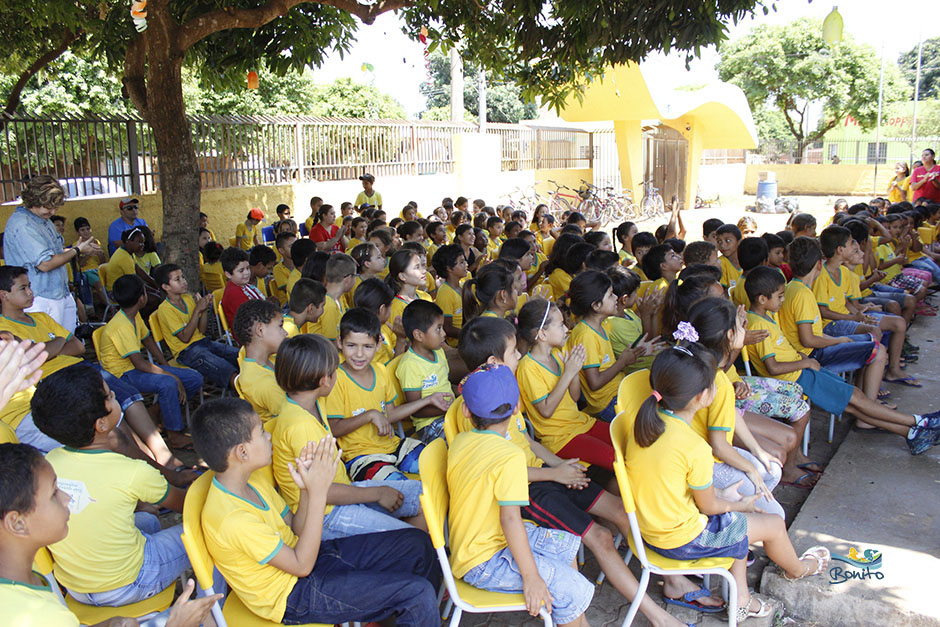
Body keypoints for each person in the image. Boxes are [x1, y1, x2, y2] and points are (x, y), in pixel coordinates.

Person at [191, 398, 441, 625]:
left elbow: (296, 528)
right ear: (242, 452)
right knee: (417, 593)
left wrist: (307, 488)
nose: (269, 437)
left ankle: (410, 618)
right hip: (292, 597)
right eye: (262, 432)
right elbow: (301, 567)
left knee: (417, 543)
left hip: (307, 560)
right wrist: (319, 492)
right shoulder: (232, 519)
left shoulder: (252, 482)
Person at [625, 345, 830, 621]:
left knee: (738, 521)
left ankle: (742, 599)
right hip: (681, 540)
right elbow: (710, 508)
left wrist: (724, 496)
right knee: (772, 524)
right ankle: (799, 569)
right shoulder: (693, 446)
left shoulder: (646, 425)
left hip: (648, 530)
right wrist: (738, 502)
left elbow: (678, 489)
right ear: (703, 396)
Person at [0, 442, 219, 627]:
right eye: (54, 493)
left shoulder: (23, 579)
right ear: (17, 523)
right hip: (128, 584)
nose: (67, 498)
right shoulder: (41, 616)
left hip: (84, 593)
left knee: (146, 522)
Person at [447, 364, 594, 626]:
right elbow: (511, 520)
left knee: (566, 545)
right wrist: (531, 578)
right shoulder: (510, 456)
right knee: (573, 590)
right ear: (517, 409)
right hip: (482, 560)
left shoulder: (460, 441)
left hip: (479, 542)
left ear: (467, 412)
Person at [31, 364, 190, 606]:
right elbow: (186, 505)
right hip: (131, 583)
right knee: (208, 531)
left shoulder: (49, 463)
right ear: (102, 424)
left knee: (148, 519)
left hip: (77, 589)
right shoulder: (133, 472)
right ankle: (216, 608)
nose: (115, 397)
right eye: (110, 396)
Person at [745, 266, 940, 455]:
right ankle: (918, 421)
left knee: (854, 403)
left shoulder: (765, 317)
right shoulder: (758, 327)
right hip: (797, 377)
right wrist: (805, 362)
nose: (783, 300)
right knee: (856, 398)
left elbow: (780, 351)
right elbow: (772, 367)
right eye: (779, 296)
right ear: (763, 299)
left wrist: (801, 358)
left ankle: (911, 433)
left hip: (803, 371)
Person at [270, 334, 427, 537]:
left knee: (427, 497)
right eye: (336, 370)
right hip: (326, 514)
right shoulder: (300, 426)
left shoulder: (313, 402)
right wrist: (378, 493)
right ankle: (409, 550)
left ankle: (407, 549)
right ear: (325, 381)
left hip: (345, 491)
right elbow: (322, 492)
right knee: (412, 540)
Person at [683, 299, 786, 518]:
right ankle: (736, 519)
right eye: (740, 326)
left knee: (772, 470)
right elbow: (719, 447)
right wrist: (749, 469)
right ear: (730, 336)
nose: (744, 329)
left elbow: (727, 414)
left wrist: (758, 451)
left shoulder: (691, 363)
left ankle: (739, 513)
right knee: (777, 516)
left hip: (698, 455)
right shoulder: (717, 381)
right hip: (707, 463)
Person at [327, 308, 448, 481]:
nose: (359, 354)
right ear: (339, 343)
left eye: (367, 346)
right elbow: (334, 429)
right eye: (351, 345)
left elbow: (390, 414)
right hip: (362, 457)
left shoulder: (380, 370)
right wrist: (369, 415)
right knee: (405, 492)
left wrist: (428, 400)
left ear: (378, 344)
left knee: (445, 465)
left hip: (394, 446)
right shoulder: (336, 379)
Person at [99, 275, 203, 449]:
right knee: (169, 383)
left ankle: (154, 413)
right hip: (122, 375)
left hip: (135, 369)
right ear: (142, 298)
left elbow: (147, 339)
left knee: (194, 378)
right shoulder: (121, 325)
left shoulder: (133, 315)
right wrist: (170, 375)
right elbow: (140, 364)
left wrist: (164, 365)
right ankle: (174, 434)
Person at [4, 175, 100, 332]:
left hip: (58, 292)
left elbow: (56, 253)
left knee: (68, 344)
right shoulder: (22, 225)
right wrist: (76, 250)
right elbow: (46, 263)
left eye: (55, 207)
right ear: (35, 200)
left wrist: (79, 249)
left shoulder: (43, 220)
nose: (53, 211)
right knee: (50, 348)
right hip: (40, 296)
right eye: (49, 207)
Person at [566, 270, 643, 421]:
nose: (616, 298)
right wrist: (622, 362)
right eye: (610, 295)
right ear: (596, 305)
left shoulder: (599, 326)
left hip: (618, 390)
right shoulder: (586, 335)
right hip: (607, 402)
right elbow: (594, 383)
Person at [153, 263, 240, 391]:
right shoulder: (165, 310)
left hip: (203, 342)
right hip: (187, 352)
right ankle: (246, 393)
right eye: (177, 279)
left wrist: (203, 310)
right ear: (166, 287)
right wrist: (197, 310)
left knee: (239, 355)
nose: (183, 282)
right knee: (224, 368)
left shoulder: (187, 298)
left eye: (183, 277)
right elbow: (185, 338)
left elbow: (201, 331)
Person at [396, 300, 454, 443]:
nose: (444, 334)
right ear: (419, 335)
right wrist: (447, 409)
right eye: (438, 329)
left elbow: (445, 385)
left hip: (449, 413)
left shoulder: (438, 353)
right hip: (430, 426)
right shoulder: (410, 365)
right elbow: (416, 411)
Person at [232, 299, 287, 426]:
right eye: (280, 326)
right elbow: (296, 419)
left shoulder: (252, 357)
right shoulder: (265, 384)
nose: (286, 332)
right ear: (260, 330)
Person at [306, 253, 355, 341]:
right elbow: (331, 342)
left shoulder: (339, 298)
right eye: (355, 276)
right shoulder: (328, 304)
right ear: (348, 279)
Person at [220, 247, 265, 330]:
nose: (246, 273)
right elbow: (250, 319)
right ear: (228, 274)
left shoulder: (243, 285)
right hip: (250, 333)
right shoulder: (234, 293)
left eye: (247, 268)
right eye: (241, 271)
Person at [431, 244, 468, 347]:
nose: (466, 264)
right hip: (456, 345)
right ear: (449, 268)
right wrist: (469, 336)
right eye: (461, 262)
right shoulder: (445, 293)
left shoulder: (461, 287)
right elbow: (447, 327)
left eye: (464, 261)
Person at [271, 231, 297, 306]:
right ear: (281, 250)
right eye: (291, 246)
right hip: (288, 305)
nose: (295, 248)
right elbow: (291, 290)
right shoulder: (278, 269)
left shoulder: (301, 264)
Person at [715, 223, 743, 289]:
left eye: (728, 241)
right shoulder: (720, 263)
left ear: (739, 242)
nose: (723, 245)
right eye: (719, 241)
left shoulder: (747, 260)